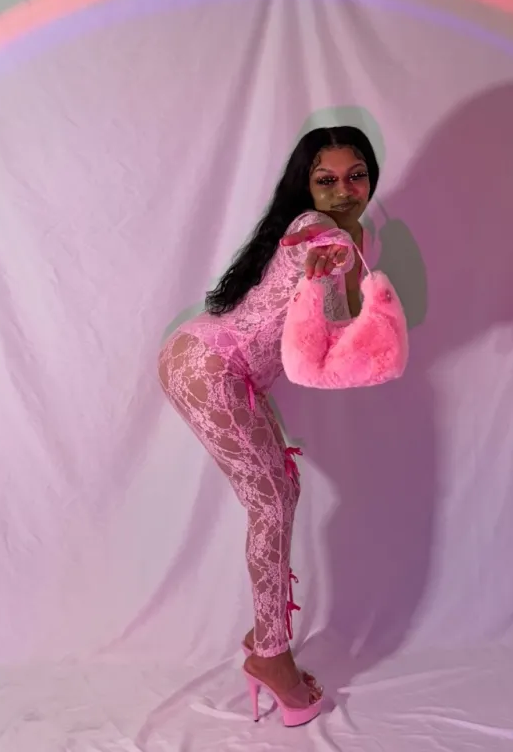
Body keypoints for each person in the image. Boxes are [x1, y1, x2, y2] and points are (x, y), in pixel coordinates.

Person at [158, 126, 380, 726]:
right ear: (306, 187)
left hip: (228, 373)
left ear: (370, 177)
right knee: (272, 503)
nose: (343, 190)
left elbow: (330, 329)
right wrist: (326, 264)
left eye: (355, 176)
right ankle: (272, 658)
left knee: (282, 493)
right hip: (207, 365)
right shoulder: (317, 228)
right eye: (325, 180)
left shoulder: (356, 238)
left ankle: (266, 639)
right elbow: (327, 304)